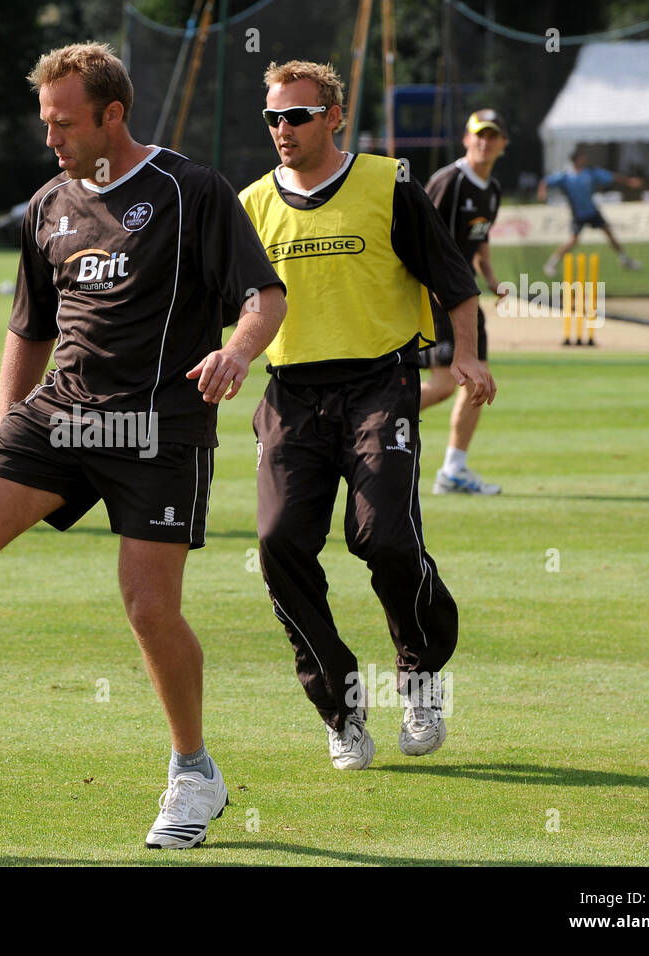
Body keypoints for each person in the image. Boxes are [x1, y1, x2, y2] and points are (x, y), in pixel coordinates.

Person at [0, 43, 286, 850]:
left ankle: (194, 772)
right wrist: (8, 428)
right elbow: (30, 328)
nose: (52, 138)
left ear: (114, 113)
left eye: (65, 123)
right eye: (45, 122)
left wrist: (239, 351)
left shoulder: (193, 191)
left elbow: (264, 295)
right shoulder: (49, 204)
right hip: (60, 414)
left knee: (150, 608)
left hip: (158, 424)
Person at [238, 60, 495, 771]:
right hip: (289, 394)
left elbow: (452, 276)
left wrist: (467, 355)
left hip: (379, 384)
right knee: (278, 544)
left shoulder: (390, 181)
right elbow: (225, 301)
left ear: (334, 117)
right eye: (273, 117)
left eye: (297, 115)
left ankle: (419, 672)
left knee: (382, 538)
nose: (282, 129)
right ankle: (340, 708)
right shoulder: (252, 202)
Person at [419, 109, 509, 495]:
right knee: (443, 385)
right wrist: (434, 290)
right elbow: (418, 232)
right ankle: (367, 421)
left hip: (465, 298)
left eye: (493, 136)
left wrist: (491, 279)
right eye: (479, 135)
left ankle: (454, 469)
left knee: (476, 380)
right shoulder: (450, 181)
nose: (485, 142)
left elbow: (480, 238)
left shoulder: (492, 189)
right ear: (466, 139)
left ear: (503, 144)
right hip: (441, 298)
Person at [539, 148, 644, 276]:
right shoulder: (566, 176)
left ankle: (625, 259)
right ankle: (551, 263)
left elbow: (611, 177)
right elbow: (545, 181)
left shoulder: (590, 172)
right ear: (577, 159)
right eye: (583, 157)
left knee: (609, 233)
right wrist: (542, 192)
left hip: (592, 211)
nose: (586, 159)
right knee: (573, 241)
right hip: (578, 215)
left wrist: (629, 181)